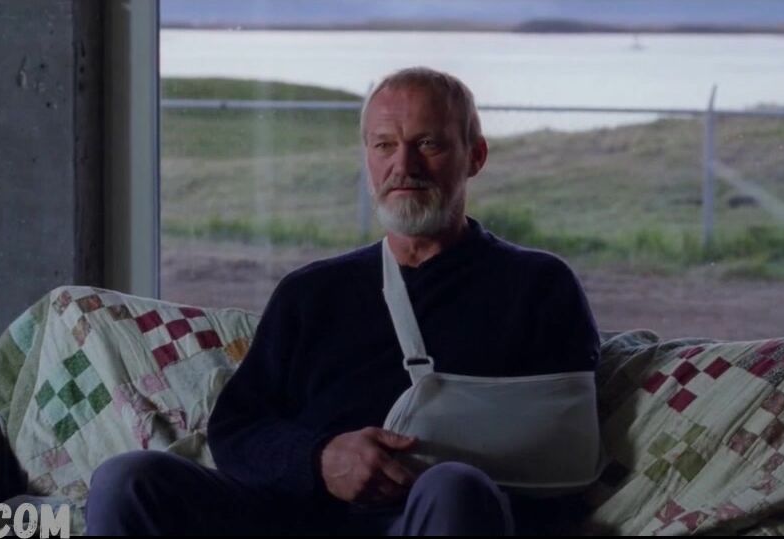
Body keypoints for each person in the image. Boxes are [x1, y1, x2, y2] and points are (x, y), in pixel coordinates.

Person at [85, 66, 601, 536]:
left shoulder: (537, 287)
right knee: (129, 480)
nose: (404, 165)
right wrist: (320, 459)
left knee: (453, 487)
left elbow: (562, 458)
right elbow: (237, 429)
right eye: (384, 145)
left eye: (428, 144)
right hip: (294, 516)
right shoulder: (311, 293)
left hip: (433, 518)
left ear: (476, 156)